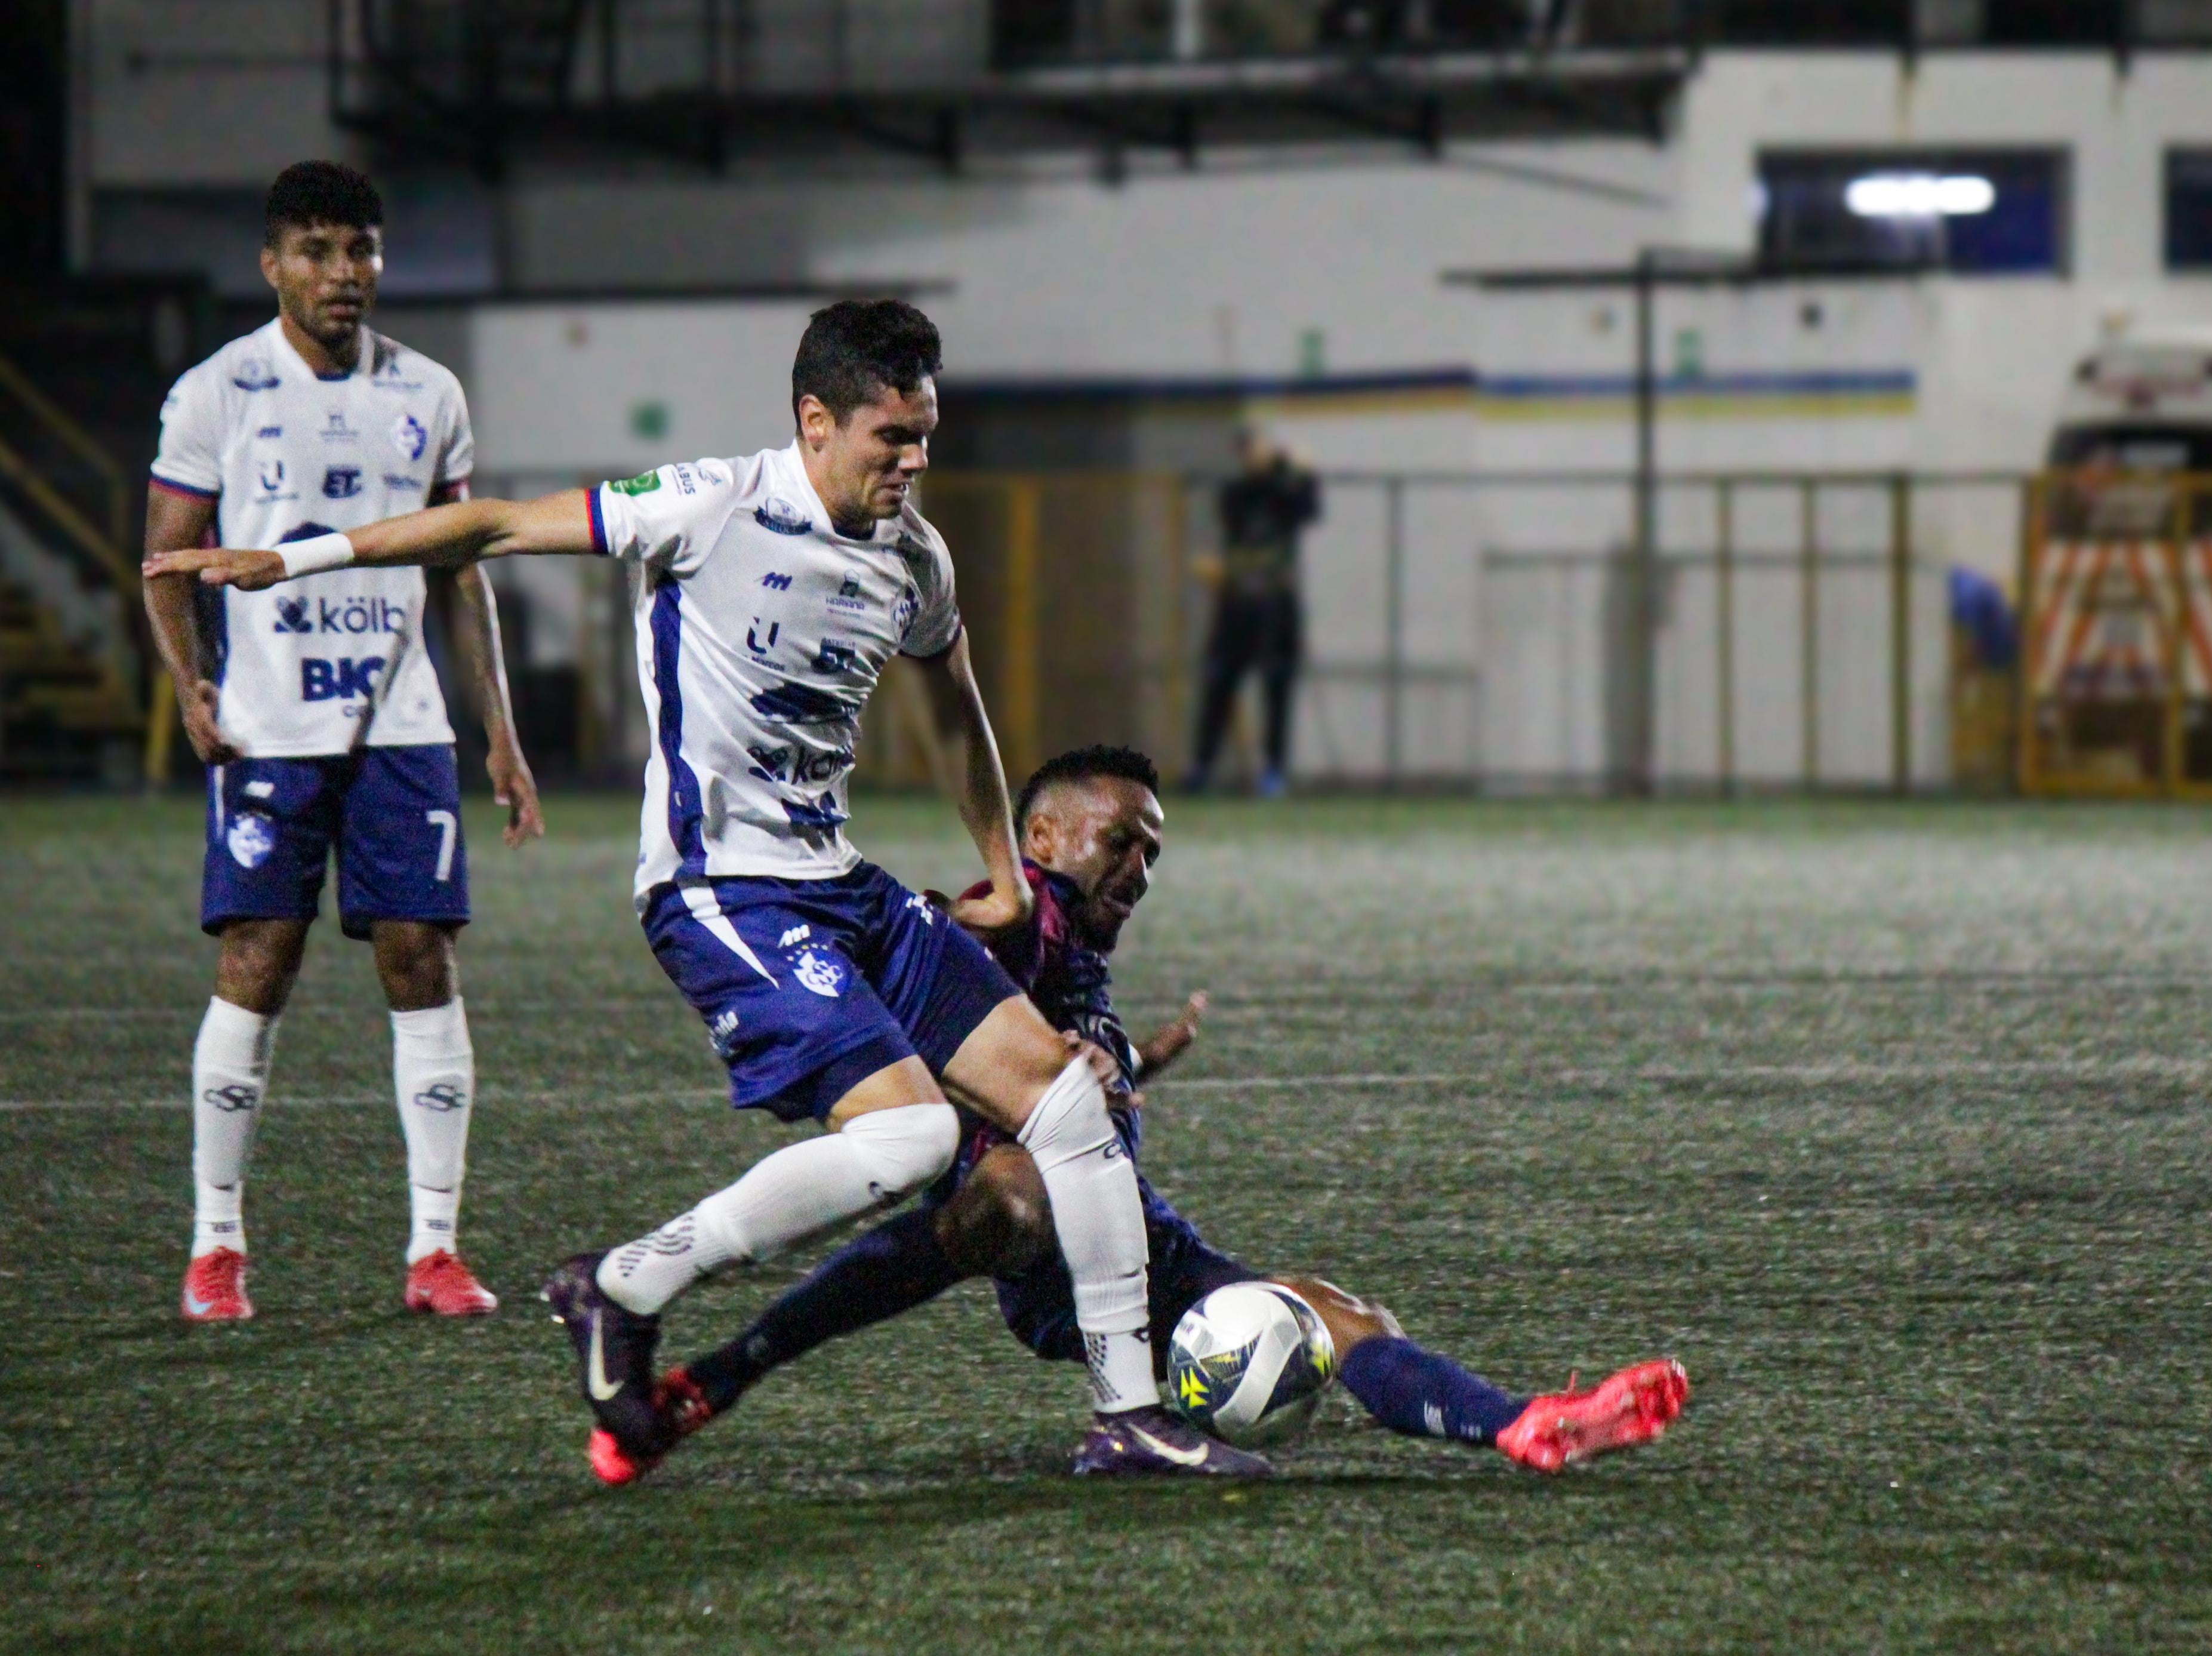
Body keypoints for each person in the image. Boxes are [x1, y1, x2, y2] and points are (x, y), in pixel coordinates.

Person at [147, 300, 1253, 1477]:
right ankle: (629, 1279)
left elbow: (951, 698)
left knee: (1067, 1104)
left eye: (926, 436)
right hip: (720, 888)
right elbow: (491, 524)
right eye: (892, 436)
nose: (914, 461)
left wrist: (1001, 867)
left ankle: (1128, 1413)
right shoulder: (709, 504)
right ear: (816, 421)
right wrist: (296, 557)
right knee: (916, 1136)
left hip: (838, 882)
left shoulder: (914, 557)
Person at [591, 744, 1689, 1483]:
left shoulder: (1079, 949)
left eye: (1154, 851)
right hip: (1029, 1223)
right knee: (1008, 1196)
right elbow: (933, 974)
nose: (1141, 867)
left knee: (1336, 1314)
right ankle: (714, 1372)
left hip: (1128, 1229)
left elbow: (1055, 1046)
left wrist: (1129, 1057)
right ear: (1044, 834)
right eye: (1123, 839)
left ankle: (1522, 1421)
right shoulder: (1018, 914)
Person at [142, 160, 543, 1323]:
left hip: (402, 724)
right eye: (316, 250)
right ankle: (216, 1245)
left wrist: (499, 729)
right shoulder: (217, 390)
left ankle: (436, 1249)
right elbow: (166, 557)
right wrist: (192, 683)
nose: (343, 272)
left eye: (360, 248)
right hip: (269, 725)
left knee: (420, 954)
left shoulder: (430, 392)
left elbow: (460, 570)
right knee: (258, 956)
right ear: (272, 264)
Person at [1188, 429, 1319, 797]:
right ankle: (1202, 766)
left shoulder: (1286, 491)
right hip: (1238, 604)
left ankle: (1274, 770)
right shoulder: (1238, 494)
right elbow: (1236, 511)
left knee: (1277, 686)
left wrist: (1298, 471)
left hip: (1276, 605)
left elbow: (1307, 509)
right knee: (1220, 682)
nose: (1253, 456)